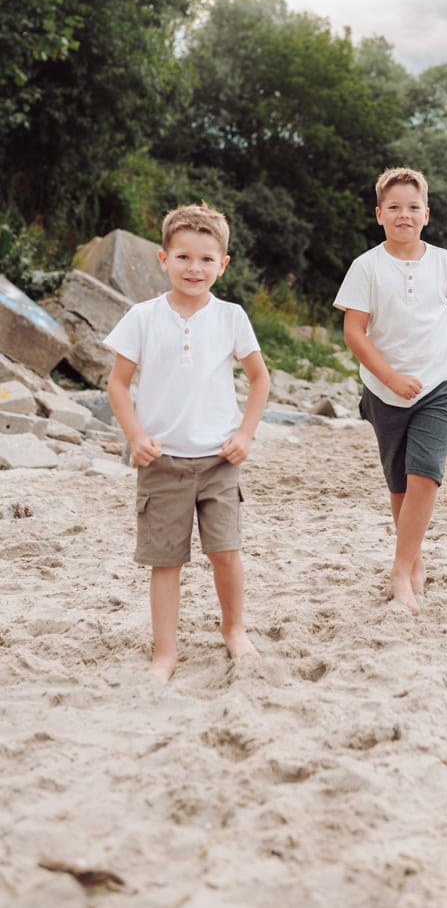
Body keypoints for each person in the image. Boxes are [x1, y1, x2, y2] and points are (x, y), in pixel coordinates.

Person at [105, 203, 270, 681]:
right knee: (166, 562)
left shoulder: (232, 317)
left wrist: (245, 434)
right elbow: (118, 384)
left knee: (226, 553)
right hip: (161, 463)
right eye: (183, 258)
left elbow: (260, 381)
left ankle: (234, 629)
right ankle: (165, 653)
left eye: (205, 259)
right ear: (163, 259)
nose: (193, 269)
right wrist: (135, 436)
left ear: (223, 264)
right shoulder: (142, 317)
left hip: (219, 460)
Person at [334, 167, 447, 616]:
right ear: (379, 214)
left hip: (440, 381)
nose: (404, 215)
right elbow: (354, 332)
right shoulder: (366, 266)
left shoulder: (446, 263)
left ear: (426, 214)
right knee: (399, 484)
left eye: (413, 207)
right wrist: (391, 377)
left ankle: (399, 571)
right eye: (394, 207)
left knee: (425, 473)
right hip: (384, 389)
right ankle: (413, 557)